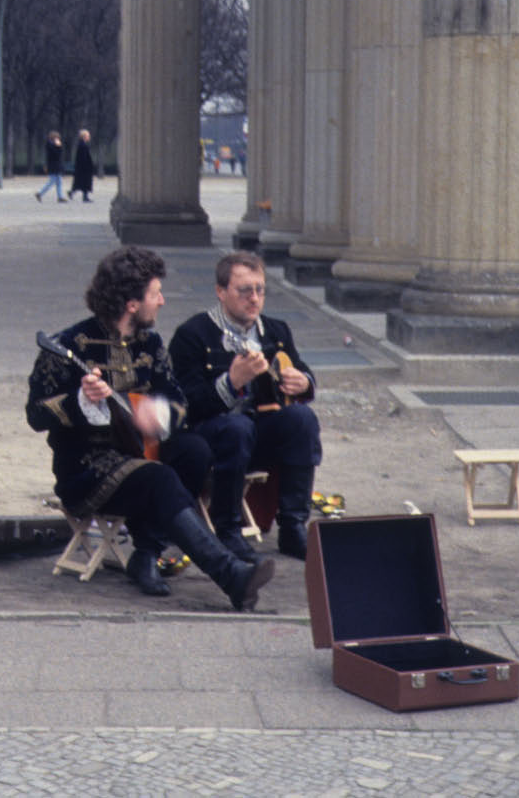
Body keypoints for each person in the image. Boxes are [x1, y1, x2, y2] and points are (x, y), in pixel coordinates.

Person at [26, 246, 276, 609]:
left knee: (194, 450)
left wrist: (156, 415)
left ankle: (146, 553)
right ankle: (230, 575)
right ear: (132, 303)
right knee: (157, 478)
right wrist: (81, 401)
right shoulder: (67, 346)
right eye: (155, 293)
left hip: (143, 454)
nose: (162, 301)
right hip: (88, 468)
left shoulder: (152, 344)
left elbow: (179, 405)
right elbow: (36, 415)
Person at [168, 251, 321, 560]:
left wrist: (303, 382)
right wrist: (231, 382)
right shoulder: (192, 335)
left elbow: (303, 372)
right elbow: (186, 405)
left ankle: (292, 526)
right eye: (244, 290)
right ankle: (228, 531)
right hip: (212, 435)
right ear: (221, 292)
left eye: (260, 290)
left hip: (257, 433)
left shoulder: (276, 332)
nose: (254, 299)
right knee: (237, 427)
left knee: (302, 418)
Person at [34, 130, 65, 203]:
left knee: (59, 182)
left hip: (55, 165)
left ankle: (60, 197)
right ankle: (40, 193)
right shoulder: (50, 145)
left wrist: (58, 146)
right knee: (52, 181)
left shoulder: (51, 144)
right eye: (57, 138)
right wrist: (59, 146)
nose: (58, 139)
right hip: (54, 166)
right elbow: (56, 154)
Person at [71, 129, 95, 203]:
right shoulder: (83, 145)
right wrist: (88, 166)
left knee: (82, 182)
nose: (89, 137)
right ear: (84, 136)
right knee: (84, 182)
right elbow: (84, 157)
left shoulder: (82, 144)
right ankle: (84, 197)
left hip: (82, 167)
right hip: (84, 168)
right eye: (88, 136)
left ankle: (74, 193)